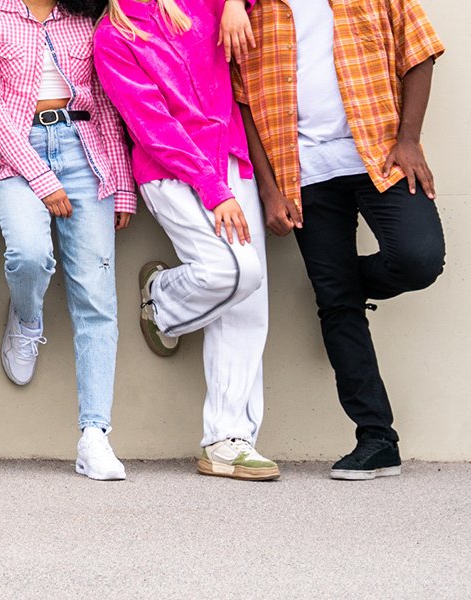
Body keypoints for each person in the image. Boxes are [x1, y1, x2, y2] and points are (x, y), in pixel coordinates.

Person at [233, 0, 445, 481]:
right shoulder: (252, 8)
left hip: (381, 157)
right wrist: (269, 189)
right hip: (303, 172)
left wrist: (409, 139)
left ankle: (343, 288)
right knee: (337, 304)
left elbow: (421, 52)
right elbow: (241, 99)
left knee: (418, 259)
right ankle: (377, 438)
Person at [97, 0, 278, 481]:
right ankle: (162, 301)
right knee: (235, 273)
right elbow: (153, 127)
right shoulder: (114, 36)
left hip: (231, 161)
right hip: (172, 173)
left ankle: (228, 439)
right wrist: (213, 187)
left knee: (248, 300)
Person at [0, 0, 135, 480]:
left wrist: (121, 182)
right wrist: (43, 179)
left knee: (96, 298)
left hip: (88, 155)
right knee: (28, 255)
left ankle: (95, 436)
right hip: (18, 155)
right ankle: (26, 317)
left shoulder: (88, 15)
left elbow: (105, 101)